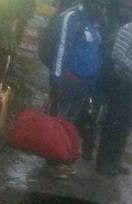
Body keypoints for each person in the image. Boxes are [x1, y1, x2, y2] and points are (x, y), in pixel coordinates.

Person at [95, 3, 132, 175]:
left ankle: (115, 160)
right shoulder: (127, 30)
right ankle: (103, 162)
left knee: (126, 126)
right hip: (122, 85)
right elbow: (117, 56)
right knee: (113, 124)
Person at [50, 0, 105, 160]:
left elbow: (94, 53)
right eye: (98, 4)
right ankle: (54, 159)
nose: (100, 7)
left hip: (85, 84)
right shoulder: (73, 17)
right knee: (61, 121)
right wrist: (57, 78)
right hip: (69, 80)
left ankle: (62, 157)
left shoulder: (94, 23)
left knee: (70, 123)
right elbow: (62, 48)